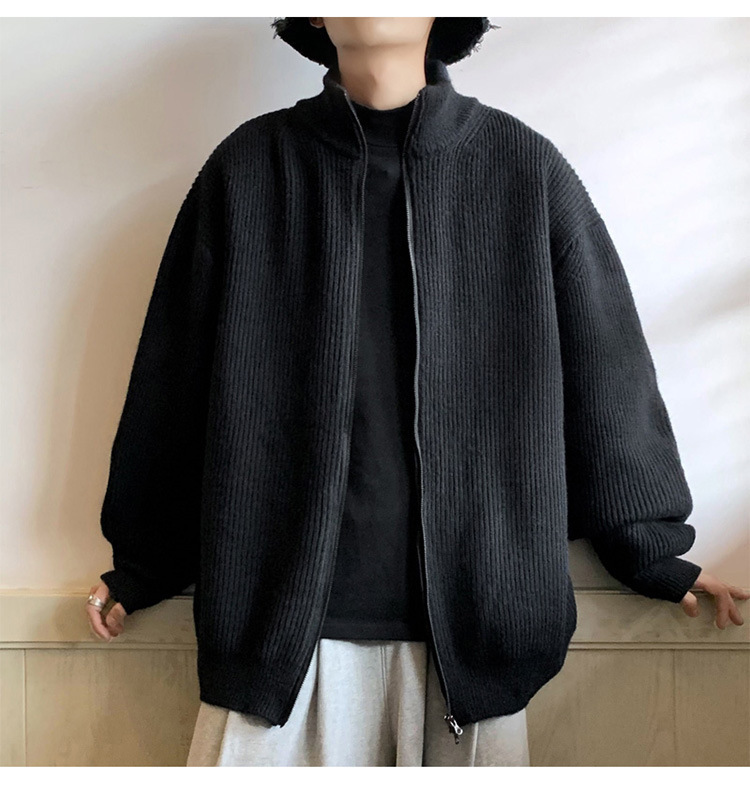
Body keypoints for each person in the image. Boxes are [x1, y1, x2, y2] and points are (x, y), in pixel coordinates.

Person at [86, 17, 749, 767]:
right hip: (279, 640)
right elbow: (172, 385)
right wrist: (142, 565)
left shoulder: (523, 170)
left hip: (475, 644)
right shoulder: (248, 171)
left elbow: (607, 372)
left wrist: (651, 548)